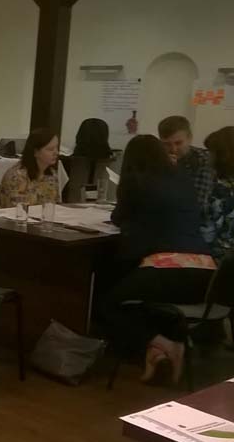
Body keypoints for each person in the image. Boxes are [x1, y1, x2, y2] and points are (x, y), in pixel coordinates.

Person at [100, 135, 215, 383]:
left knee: (108, 303)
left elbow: (119, 217)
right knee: (141, 297)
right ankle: (155, 351)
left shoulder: (136, 181)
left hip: (169, 270)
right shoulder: (182, 178)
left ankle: (165, 344)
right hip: (206, 274)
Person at [159, 115, 215, 213]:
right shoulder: (156, 159)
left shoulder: (204, 160)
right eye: (167, 144)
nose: (173, 149)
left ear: (190, 138)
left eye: (178, 143)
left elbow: (198, 204)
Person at [0, 128, 60, 208]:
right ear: (36, 152)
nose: (56, 153)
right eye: (50, 149)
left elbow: (56, 206)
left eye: (56, 148)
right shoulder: (16, 177)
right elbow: (16, 210)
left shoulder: (52, 175)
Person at [203, 126, 234, 262]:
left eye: (210, 152)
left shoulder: (221, 190)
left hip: (222, 259)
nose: (207, 157)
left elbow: (208, 232)